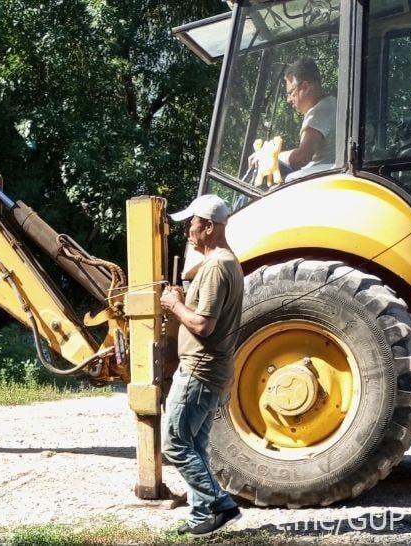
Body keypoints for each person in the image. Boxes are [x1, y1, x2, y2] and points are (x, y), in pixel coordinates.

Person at [159, 194, 244, 536]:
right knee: (195, 445)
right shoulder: (228, 262)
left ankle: (221, 504)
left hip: (199, 370)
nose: (187, 232)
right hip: (213, 371)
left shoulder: (216, 267)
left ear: (208, 226)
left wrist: (174, 304)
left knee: (174, 443)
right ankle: (200, 517)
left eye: (191, 225)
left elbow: (203, 325)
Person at [252, 58, 336, 181]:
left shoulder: (319, 112)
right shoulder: (332, 104)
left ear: (305, 86)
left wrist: (271, 157)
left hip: (318, 181)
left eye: (290, 92)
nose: (288, 100)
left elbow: (301, 158)